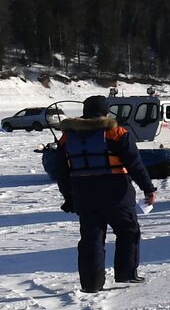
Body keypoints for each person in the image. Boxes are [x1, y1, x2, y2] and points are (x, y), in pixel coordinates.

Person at [43, 95, 157, 293]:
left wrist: (68, 197)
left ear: (85, 112)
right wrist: (148, 189)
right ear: (106, 111)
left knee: (91, 239)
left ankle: (91, 283)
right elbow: (135, 164)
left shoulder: (68, 136)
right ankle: (126, 273)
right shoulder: (117, 132)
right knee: (128, 231)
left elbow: (61, 171)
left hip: (84, 192)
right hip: (116, 192)